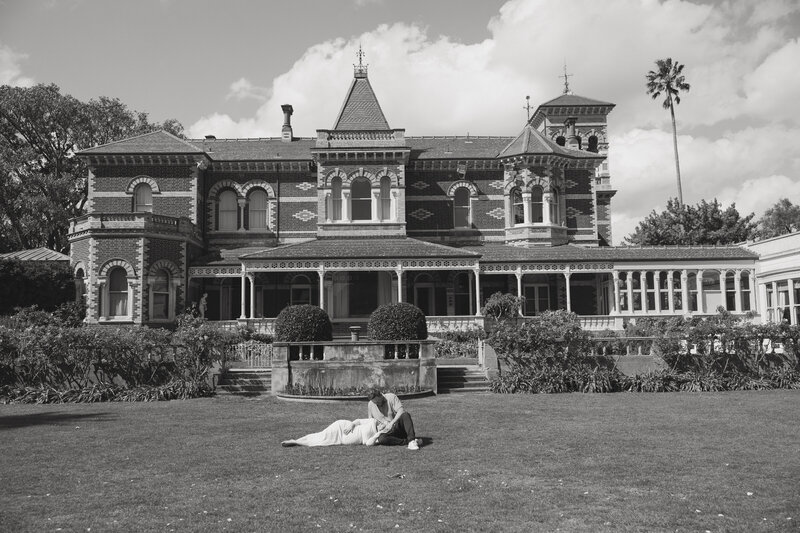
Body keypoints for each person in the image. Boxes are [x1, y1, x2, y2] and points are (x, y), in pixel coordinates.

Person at [281, 418, 387, 447]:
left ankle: (296, 442)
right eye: (383, 423)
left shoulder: (377, 437)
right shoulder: (373, 421)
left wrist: (379, 433)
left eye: (385, 426)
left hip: (342, 438)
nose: (382, 424)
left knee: (322, 440)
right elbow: (358, 420)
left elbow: (368, 444)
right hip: (343, 427)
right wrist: (352, 424)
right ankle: (297, 441)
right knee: (322, 436)